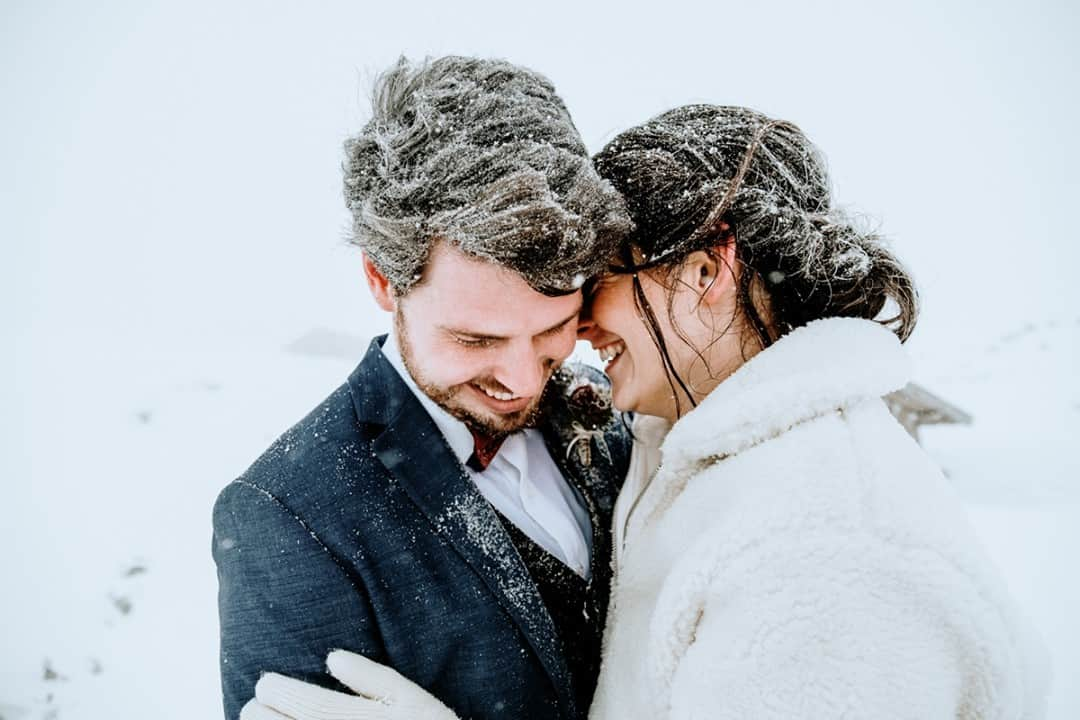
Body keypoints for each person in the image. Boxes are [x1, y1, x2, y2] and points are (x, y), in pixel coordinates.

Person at [241, 106, 1047, 719]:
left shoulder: (827, 553)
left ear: (706, 268)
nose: (582, 329)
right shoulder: (688, 454)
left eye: (605, 280)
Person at [213, 56, 634, 720]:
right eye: (476, 340)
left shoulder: (617, 417)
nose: (525, 380)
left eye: (555, 329)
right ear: (383, 280)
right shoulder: (288, 516)